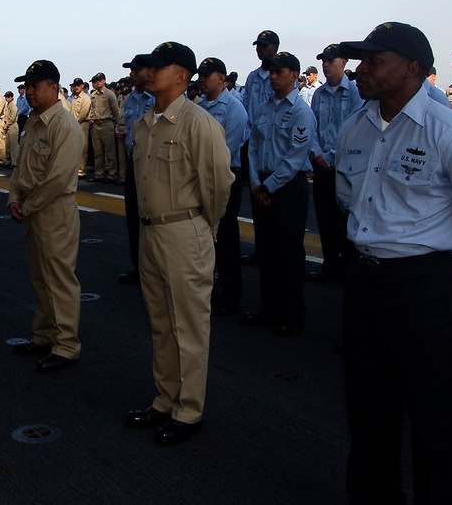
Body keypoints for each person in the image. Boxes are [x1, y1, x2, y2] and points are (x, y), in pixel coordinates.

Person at [335, 22, 452, 504]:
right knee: (369, 417)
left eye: (375, 60)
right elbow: (348, 198)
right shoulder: (355, 126)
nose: (362, 69)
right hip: (365, 286)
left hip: (422, 290)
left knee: (434, 423)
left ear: (412, 68)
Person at [125, 42, 234, 446]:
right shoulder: (143, 123)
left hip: (184, 231)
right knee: (160, 323)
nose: (149, 72)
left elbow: (219, 184)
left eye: (159, 66)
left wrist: (207, 226)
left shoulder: (197, 123)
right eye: (149, 66)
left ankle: (189, 410)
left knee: (188, 326)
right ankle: (164, 399)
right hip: (150, 232)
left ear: (182, 76)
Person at [8, 60, 85, 373]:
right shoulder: (32, 123)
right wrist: (14, 197)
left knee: (60, 280)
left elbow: (56, 178)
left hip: (54, 210)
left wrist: (26, 206)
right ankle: (44, 336)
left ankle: (66, 345)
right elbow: (21, 168)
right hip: (33, 209)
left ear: (54, 87)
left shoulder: (64, 125)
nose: (30, 92)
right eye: (27, 86)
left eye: (35, 86)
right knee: (40, 277)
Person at [240, 52, 316, 337]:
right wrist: (258, 182)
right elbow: (255, 147)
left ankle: (292, 314)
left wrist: (267, 187)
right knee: (267, 251)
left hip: (287, 188)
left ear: (294, 75)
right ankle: (269, 307)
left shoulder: (300, 111)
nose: (272, 76)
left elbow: (296, 157)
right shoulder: (264, 108)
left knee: (290, 254)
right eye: (271, 71)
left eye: (279, 72)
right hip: (264, 186)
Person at [195, 57, 248, 316]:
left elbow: (226, 151)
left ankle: (231, 294)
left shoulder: (234, 109)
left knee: (226, 239)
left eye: (207, 75)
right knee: (206, 242)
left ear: (222, 79)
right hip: (201, 179)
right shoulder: (200, 106)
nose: (202, 79)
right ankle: (211, 291)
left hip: (226, 178)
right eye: (200, 75)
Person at [307, 43, 364, 282]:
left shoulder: (354, 92)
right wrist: (318, 154)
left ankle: (349, 270)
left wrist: (330, 156)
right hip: (322, 166)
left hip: (346, 166)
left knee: (347, 221)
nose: (326, 65)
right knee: (325, 219)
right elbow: (313, 128)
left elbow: (354, 129)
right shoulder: (319, 94)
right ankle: (330, 266)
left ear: (344, 63)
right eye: (324, 61)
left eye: (331, 61)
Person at [117, 56, 156, 285]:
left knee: (150, 216)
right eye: (130, 69)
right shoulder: (131, 99)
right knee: (133, 215)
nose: (132, 73)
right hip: (134, 161)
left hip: (151, 163)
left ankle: (153, 268)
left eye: (136, 70)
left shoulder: (158, 99)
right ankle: (138, 266)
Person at [87, 72, 121, 182]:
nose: (96, 83)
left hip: (107, 123)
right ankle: (99, 174)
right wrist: (92, 117)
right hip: (96, 124)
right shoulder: (93, 96)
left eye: (98, 80)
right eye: (95, 81)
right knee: (98, 151)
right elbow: (92, 109)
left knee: (110, 151)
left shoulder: (109, 94)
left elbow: (115, 110)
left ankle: (112, 174)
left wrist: (113, 120)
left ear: (104, 81)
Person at [69, 77, 92, 177]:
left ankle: (82, 170)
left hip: (82, 123)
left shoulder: (85, 98)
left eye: (78, 85)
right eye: (75, 85)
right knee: (74, 147)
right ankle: (76, 169)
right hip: (74, 123)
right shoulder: (74, 98)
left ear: (82, 86)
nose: (76, 87)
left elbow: (83, 113)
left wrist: (76, 122)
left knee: (83, 148)